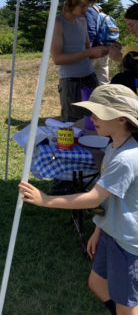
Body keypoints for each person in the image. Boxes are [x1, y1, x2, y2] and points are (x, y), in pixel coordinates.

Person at [19, 84, 138, 315]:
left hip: (127, 243)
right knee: (97, 283)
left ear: (121, 118)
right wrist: (98, 230)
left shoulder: (126, 159)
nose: (91, 118)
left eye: (98, 113)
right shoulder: (115, 146)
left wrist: (46, 199)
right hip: (112, 232)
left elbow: (94, 198)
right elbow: (108, 200)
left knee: (127, 307)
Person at [51, 0, 109, 122]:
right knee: (73, 125)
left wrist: (106, 48)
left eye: (88, 5)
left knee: (94, 121)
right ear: (72, 2)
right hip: (72, 82)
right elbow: (57, 59)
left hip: (90, 78)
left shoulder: (82, 21)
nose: (86, 9)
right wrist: (89, 51)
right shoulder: (58, 22)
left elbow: (88, 52)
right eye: (83, 5)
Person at [85, 4, 111, 84]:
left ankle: (89, 97)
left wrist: (87, 52)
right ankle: (105, 96)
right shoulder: (100, 13)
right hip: (104, 50)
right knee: (103, 82)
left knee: (86, 83)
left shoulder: (88, 11)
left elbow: (91, 32)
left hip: (93, 51)